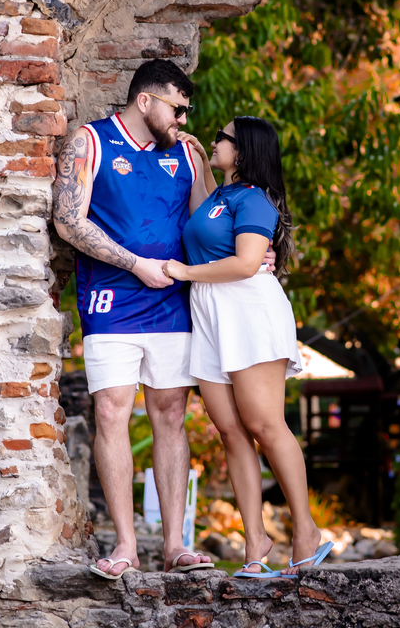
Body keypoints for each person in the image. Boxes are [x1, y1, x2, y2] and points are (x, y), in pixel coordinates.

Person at [53, 59, 217, 578]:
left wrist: (259, 254)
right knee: (111, 414)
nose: (184, 120)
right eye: (177, 108)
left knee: (170, 415)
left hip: (171, 303)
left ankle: (174, 545)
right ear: (145, 101)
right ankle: (125, 545)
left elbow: (210, 224)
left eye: (187, 111)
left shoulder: (185, 155)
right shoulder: (91, 141)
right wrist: (134, 263)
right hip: (109, 298)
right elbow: (66, 220)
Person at [163, 117, 333, 579]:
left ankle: (306, 531)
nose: (214, 139)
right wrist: (199, 158)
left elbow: (245, 263)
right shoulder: (220, 197)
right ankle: (255, 542)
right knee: (230, 431)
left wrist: (183, 272)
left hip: (249, 312)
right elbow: (202, 219)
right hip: (211, 316)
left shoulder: (255, 200)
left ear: (243, 151)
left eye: (222, 137)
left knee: (264, 423)